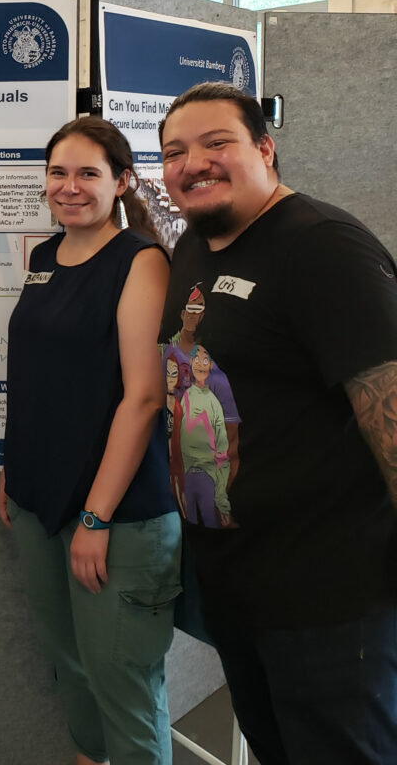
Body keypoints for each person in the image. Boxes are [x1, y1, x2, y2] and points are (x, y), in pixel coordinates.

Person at [157, 81, 397, 765]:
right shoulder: (196, 249)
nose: (193, 162)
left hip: (328, 600)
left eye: (216, 143)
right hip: (238, 587)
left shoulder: (322, 247)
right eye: (175, 151)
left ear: (266, 148)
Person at [0, 117, 180, 765]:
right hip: (40, 499)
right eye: (58, 172)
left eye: (87, 174)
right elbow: (44, 377)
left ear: (121, 182)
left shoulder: (141, 262)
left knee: (122, 683)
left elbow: (143, 398)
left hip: (118, 513)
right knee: (71, 669)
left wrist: (97, 516)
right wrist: (11, 473)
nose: (69, 187)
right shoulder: (46, 257)